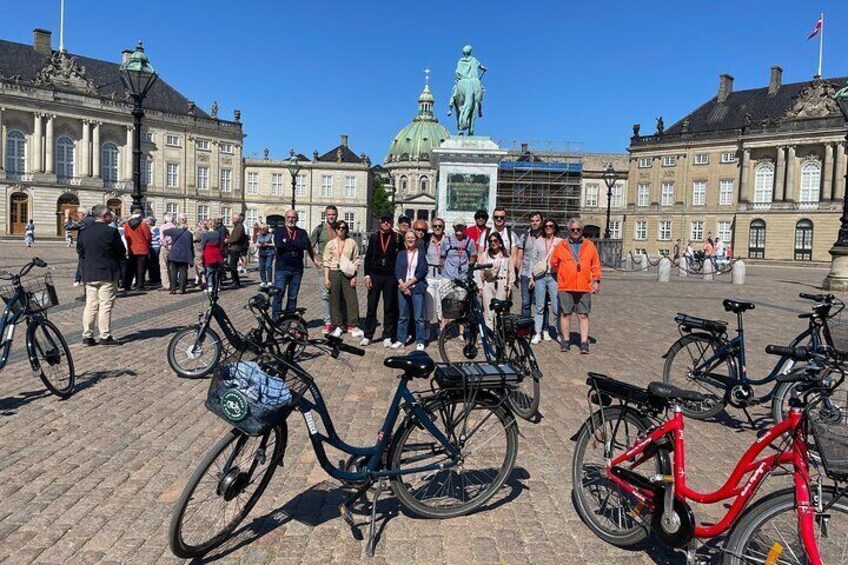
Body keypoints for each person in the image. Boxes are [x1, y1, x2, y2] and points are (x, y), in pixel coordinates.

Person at [549, 218, 601, 354]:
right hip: (566, 286)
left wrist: (596, 281)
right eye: (573, 230)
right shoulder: (561, 246)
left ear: (582, 230)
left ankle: (583, 343)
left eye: (578, 229)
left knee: (583, 315)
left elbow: (595, 265)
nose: (575, 232)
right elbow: (554, 264)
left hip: (584, 286)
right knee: (565, 314)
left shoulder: (590, 246)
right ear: (568, 231)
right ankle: (565, 341)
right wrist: (564, 274)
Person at [77, 205, 126, 346]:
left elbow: (80, 251)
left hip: (90, 272)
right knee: (105, 305)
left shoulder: (84, 232)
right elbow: (120, 251)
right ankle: (105, 335)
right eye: (109, 214)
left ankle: (87, 335)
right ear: (104, 216)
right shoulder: (111, 232)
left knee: (90, 305)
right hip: (107, 273)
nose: (111, 217)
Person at [362, 214, 402, 347]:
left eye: (388, 221)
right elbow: (368, 258)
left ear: (391, 222)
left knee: (389, 306)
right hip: (375, 275)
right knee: (372, 305)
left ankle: (387, 335)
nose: (386, 223)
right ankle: (368, 334)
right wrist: (367, 275)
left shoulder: (397, 237)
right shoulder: (374, 237)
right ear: (380, 222)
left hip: (390, 276)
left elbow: (401, 258)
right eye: (383, 221)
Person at [323, 220, 363, 338]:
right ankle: (338, 325)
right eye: (339, 228)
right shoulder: (330, 243)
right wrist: (326, 278)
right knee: (334, 300)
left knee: (351, 299)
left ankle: (353, 325)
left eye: (344, 228)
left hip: (348, 273)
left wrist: (355, 276)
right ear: (335, 229)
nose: (341, 230)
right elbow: (326, 262)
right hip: (334, 272)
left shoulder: (351, 242)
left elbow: (356, 260)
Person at [273, 210, 316, 317]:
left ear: (296, 219)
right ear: (285, 218)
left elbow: (304, 245)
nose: (291, 219)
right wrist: (295, 244)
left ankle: (288, 320)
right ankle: (276, 321)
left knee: (293, 297)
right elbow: (279, 245)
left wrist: (287, 242)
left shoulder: (302, 232)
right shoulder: (279, 231)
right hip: (282, 268)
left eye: (293, 217)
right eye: (288, 217)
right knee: (278, 295)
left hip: (297, 269)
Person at [391, 230, 428, 350]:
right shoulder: (401, 254)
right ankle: (401, 339)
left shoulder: (421, 254)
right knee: (402, 316)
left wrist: (408, 284)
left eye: (412, 238)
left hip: (417, 287)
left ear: (416, 240)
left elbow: (423, 270)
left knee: (418, 317)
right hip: (402, 288)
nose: (410, 240)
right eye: (408, 238)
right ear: (405, 240)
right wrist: (403, 285)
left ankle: (420, 340)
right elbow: (397, 271)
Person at [528, 219, 562, 343]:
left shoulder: (560, 242)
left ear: (555, 227)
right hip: (541, 276)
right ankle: (538, 332)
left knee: (556, 307)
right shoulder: (538, 241)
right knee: (539, 306)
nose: (548, 228)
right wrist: (532, 276)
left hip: (554, 277)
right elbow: (533, 259)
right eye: (546, 226)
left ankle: (559, 332)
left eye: (551, 226)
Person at [440, 219, 478, 324]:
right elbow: (442, 258)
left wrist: (466, 266)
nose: (459, 229)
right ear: (453, 228)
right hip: (448, 276)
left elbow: (473, 257)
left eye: (461, 227)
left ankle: (461, 330)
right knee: (446, 303)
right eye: (457, 227)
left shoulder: (470, 242)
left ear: (465, 228)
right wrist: (448, 268)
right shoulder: (447, 241)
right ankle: (444, 328)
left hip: (462, 277)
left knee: (461, 304)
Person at [476, 232, 514, 331]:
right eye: (491, 241)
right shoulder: (485, 255)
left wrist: (509, 286)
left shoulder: (506, 256)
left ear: (500, 242)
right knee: (488, 311)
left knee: (499, 311)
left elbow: (511, 272)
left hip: (502, 283)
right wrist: (480, 287)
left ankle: (499, 334)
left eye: (495, 240)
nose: (493, 243)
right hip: (488, 283)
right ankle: (489, 334)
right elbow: (479, 270)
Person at [311, 205, 338, 333]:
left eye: (333, 214)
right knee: (325, 295)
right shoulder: (320, 229)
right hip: (324, 266)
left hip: (338, 267)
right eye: (329, 214)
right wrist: (315, 261)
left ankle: (338, 321)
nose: (331, 216)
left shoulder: (340, 228)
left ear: (336, 215)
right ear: (325, 215)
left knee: (338, 295)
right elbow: (310, 246)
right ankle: (327, 322)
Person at [515, 211, 543, 318]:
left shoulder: (545, 237)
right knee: (525, 303)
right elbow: (519, 257)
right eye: (532, 221)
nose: (534, 223)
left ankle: (538, 328)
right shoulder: (524, 236)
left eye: (537, 220)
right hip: (525, 273)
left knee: (539, 304)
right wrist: (517, 273)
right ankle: (525, 327)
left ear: (541, 221)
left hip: (540, 274)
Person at [424, 217, 449, 337]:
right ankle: (427, 328)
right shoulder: (427, 239)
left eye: (440, 226)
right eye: (435, 226)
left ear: (443, 228)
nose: (437, 228)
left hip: (443, 275)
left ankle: (442, 329)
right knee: (429, 303)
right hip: (430, 275)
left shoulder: (449, 240)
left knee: (442, 304)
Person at [122, 207, 152, 291]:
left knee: (130, 268)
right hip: (142, 248)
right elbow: (148, 236)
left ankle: (127, 285)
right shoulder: (143, 224)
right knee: (141, 269)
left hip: (132, 248)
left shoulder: (127, 224)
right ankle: (139, 285)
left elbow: (126, 236)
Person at [163, 215, 194, 294]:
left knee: (173, 272)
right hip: (184, 255)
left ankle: (173, 289)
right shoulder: (189, 234)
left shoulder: (174, 231)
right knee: (183, 272)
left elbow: (164, 231)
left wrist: (173, 226)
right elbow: (191, 246)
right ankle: (181, 289)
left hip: (174, 254)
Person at [202, 218, 226, 290]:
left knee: (209, 270)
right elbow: (221, 244)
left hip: (208, 253)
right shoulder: (218, 234)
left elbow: (203, 245)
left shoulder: (206, 234)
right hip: (217, 253)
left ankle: (210, 286)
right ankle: (217, 286)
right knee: (216, 270)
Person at [226, 213, 248, 288]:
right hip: (234, 248)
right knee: (233, 266)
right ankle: (235, 281)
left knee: (233, 266)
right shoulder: (237, 226)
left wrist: (227, 241)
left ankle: (236, 282)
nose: (231, 220)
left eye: (233, 219)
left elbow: (235, 238)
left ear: (237, 219)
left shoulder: (239, 227)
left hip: (235, 249)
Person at [159, 212, 176, 289]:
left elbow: (162, 238)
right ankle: (173, 282)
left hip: (165, 247)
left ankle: (166, 284)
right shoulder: (174, 227)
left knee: (164, 266)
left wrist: (166, 245)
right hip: (173, 247)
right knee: (172, 266)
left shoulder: (163, 226)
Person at [146, 216, 162, 287]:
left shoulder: (155, 229)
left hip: (155, 248)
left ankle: (155, 279)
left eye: (147, 221)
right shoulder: (150, 229)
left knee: (154, 264)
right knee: (151, 264)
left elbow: (158, 238)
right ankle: (152, 278)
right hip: (151, 247)